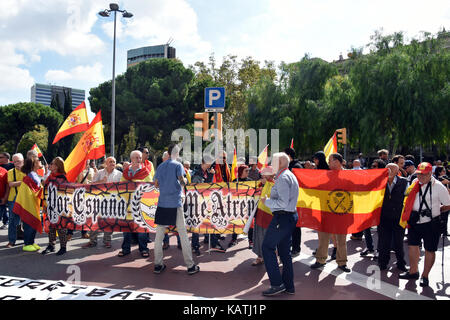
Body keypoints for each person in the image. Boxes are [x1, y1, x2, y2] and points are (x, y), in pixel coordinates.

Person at [399, 163, 450, 287]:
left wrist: (437, 211)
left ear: (430, 173)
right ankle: (413, 271)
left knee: (429, 249)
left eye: (423, 174)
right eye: (419, 174)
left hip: (431, 223)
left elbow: (448, 204)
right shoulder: (415, 182)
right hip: (414, 221)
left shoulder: (438, 187)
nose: (420, 177)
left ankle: (425, 276)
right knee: (412, 246)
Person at [153, 144, 199, 275]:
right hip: (175, 203)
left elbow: (156, 184)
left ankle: (158, 264)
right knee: (183, 234)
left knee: (159, 235)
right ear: (177, 153)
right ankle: (190, 266)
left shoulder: (160, 166)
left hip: (162, 203)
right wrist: (184, 181)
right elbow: (182, 181)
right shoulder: (178, 165)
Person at [260, 153, 299, 296]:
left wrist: (267, 201)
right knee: (284, 252)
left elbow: (282, 203)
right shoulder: (288, 175)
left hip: (282, 218)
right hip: (288, 217)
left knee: (267, 247)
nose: (272, 163)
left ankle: (277, 284)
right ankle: (288, 286)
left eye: (274, 161)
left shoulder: (283, 178)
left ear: (281, 162)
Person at [311, 153, 351, 273]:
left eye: (330, 160)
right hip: (326, 211)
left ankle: (342, 262)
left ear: (338, 161)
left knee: (341, 240)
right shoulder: (326, 175)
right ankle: (320, 260)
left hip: (342, 212)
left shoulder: (349, 176)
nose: (328, 163)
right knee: (323, 237)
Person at [82, 157, 122, 249]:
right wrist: (101, 182)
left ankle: (107, 241)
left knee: (109, 222)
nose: (112, 163)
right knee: (95, 221)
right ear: (106, 163)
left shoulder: (119, 174)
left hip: (111, 202)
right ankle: (92, 241)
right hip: (98, 201)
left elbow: (123, 187)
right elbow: (92, 185)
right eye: (110, 161)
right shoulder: (99, 173)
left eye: (114, 162)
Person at [118, 150, 151, 258]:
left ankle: (143, 248)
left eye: (139, 157)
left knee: (141, 228)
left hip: (141, 205)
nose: (138, 159)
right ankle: (125, 249)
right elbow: (121, 187)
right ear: (131, 159)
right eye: (136, 157)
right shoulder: (126, 172)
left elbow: (149, 187)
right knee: (126, 229)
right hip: (128, 205)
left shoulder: (146, 172)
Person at [377, 163, 408, 271]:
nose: (389, 171)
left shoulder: (404, 182)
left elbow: (407, 198)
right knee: (383, 242)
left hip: (398, 218)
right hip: (384, 217)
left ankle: (401, 263)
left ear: (397, 171)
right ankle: (382, 262)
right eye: (387, 169)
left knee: (398, 242)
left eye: (391, 169)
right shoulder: (379, 182)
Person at [15, 157, 44, 252]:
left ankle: (31, 242)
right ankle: (27, 243)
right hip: (29, 204)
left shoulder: (34, 174)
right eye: (38, 160)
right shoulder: (31, 175)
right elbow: (32, 190)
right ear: (34, 165)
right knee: (29, 224)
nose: (40, 161)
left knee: (33, 224)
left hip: (34, 203)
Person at [42, 157, 69, 255]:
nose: (50, 165)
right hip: (50, 206)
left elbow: (65, 194)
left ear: (57, 166)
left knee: (61, 227)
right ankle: (51, 245)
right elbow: (45, 192)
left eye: (52, 163)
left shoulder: (63, 178)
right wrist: (45, 205)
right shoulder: (50, 177)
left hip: (60, 207)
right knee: (51, 227)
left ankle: (63, 247)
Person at [190, 156, 217, 255]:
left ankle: (205, 239)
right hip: (196, 202)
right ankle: (195, 246)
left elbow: (208, 186)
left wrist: (210, 176)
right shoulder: (197, 172)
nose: (211, 164)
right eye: (210, 162)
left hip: (204, 201)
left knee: (205, 221)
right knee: (196, 224)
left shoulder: (206, 172)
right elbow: (197, 187)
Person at [251, 166, 275, 266]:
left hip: (269, 216)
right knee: (258, 236)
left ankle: (270, 257)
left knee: (268, 238)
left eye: (264, 174)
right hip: (260, 213)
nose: (262, 175)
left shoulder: (274, 185)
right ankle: (260, 256)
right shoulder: (261, 184)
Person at [284, 147, 302, 258]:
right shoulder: (288, 166)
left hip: (295, 200)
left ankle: (296, 248)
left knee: (295, 225)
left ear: (289, 155)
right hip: (288, 200)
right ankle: (291, 246)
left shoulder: (297, 167)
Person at [6, 153, 25, 248]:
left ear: (23, 161)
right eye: (15, 161)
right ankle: (11, 241)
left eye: (19, 161)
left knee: (26, 219)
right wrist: (24, 182)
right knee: (12, 220)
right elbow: (10, 184)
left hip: (25, 198)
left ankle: (28, 240)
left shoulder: (28, 171)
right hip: (13, 198)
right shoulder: (10, 171)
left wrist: (17, 183)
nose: (17, 163)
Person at [0, 165, 8, 229]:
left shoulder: (4, 171)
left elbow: (7, 185)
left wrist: (5, 197)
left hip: (1, 197)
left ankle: (6, 222)